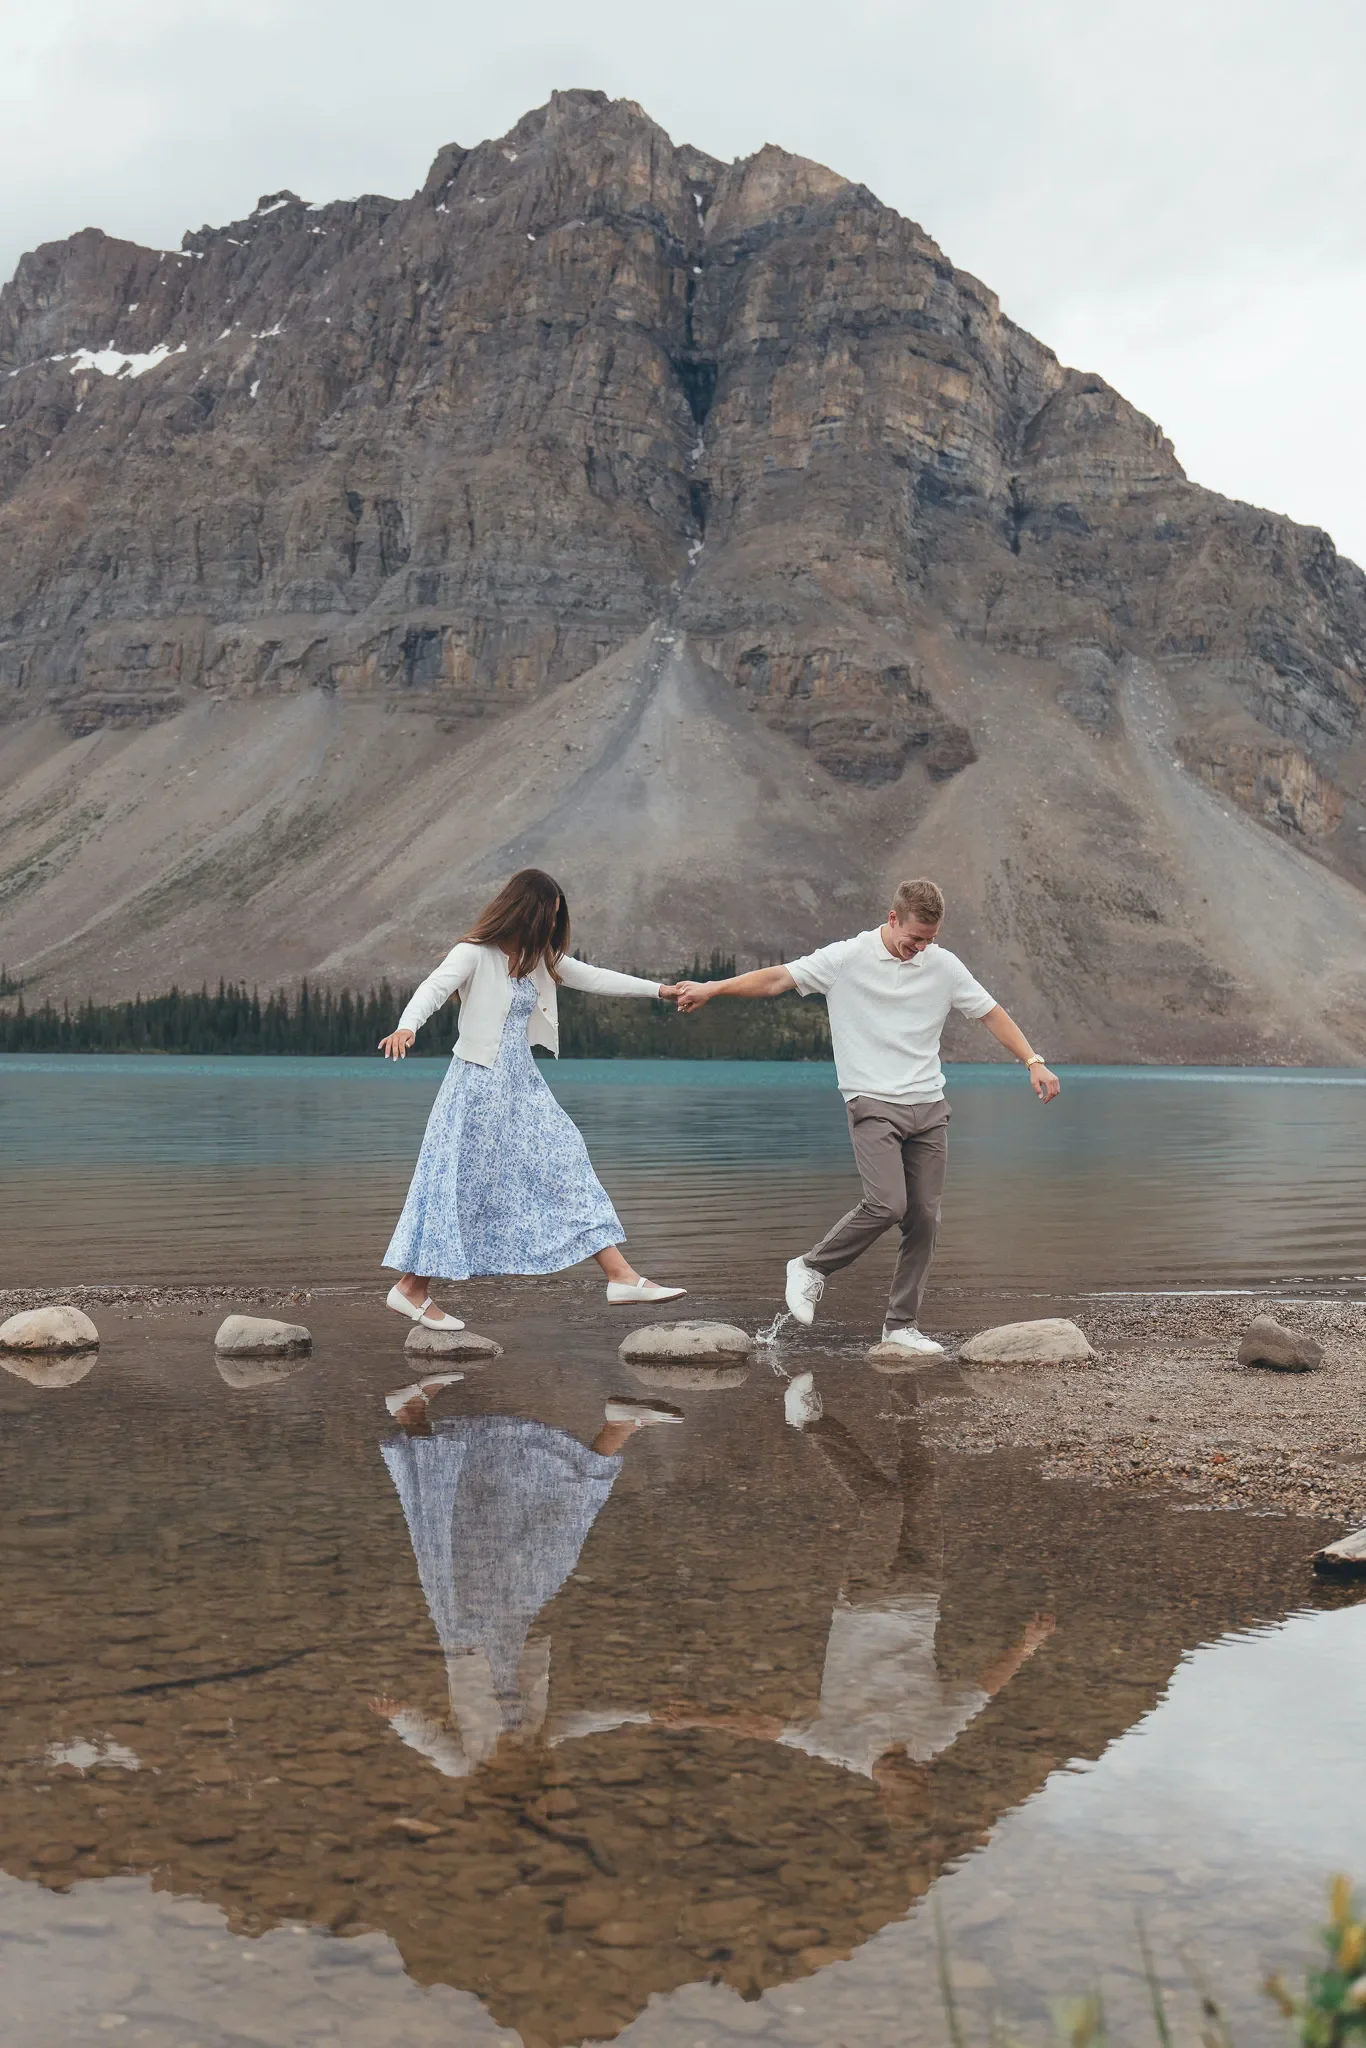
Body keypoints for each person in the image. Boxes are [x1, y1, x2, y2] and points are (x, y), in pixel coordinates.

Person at [672, 877, 1059, 1355]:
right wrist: (714, 987)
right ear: (892, 918)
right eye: (913, 938)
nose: (919, 948)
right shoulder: (846, 958)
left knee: (924, 1219)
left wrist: (1032, 1061)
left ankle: (900, 1327)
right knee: (886, 1204)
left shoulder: (943, 965)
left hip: (929, 1106)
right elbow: (776, 978)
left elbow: (990, 1012)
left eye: (929, 940)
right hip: (872, 1101)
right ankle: (812, 1267)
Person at [378, 868, 685, 1327]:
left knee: (567, 1163)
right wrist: (408, 1025)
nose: (553, 927)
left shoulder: (536, 959)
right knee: (463, 1188)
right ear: (528, 910)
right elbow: (434, 987)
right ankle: (411, 1288)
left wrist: (660, 990)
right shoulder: (474, 953)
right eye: (550, 915)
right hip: (477, 1086)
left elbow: (595, 977)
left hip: (521, 1085)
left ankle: (620, 1276)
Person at [372, 1379, 683, 1776]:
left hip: (464, 1625)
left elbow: (431, 1742)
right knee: (559, 1534)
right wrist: (643, 1715)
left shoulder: (467, 1763)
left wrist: (401, 1717)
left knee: (448, 1518)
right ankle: (617, 1429)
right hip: (516, 1621)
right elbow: (584, 1721)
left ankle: (411, 1414)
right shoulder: (536, 1740)